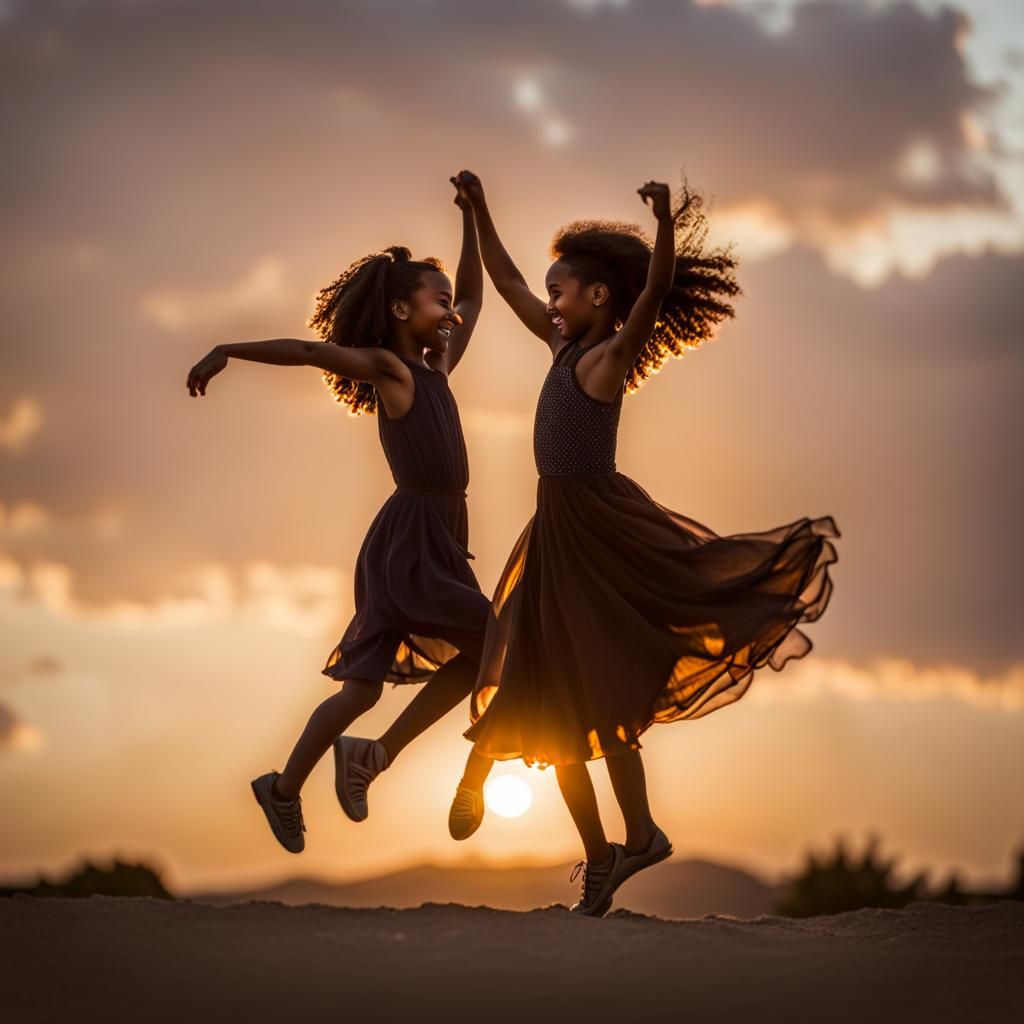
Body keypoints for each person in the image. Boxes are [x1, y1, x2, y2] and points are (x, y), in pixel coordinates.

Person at [450, 170, 839, 916]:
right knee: (542, 689)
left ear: (599, 299)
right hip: (555, 530)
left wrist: (663, 223)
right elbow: (502, 282)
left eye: (559, 292)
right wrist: (480, 210)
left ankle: (631, 833)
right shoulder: (560, 346)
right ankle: (608, 853)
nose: (549, 303)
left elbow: (655, 294)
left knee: (590, 692)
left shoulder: (605, 360)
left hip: (597, 530)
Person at [185, 184, 494, 853]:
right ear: (399, 309)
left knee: (360, 689)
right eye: (434, 300)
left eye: (446, 300)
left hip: (426, 538)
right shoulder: (394, 370)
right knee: (497, 641)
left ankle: (285, 787)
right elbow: (308, 353)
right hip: (414, 540)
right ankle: (376, 757)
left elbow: (473, 295)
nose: (450, 309)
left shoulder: (437, 364)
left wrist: (472, 218)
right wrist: (229, 349)